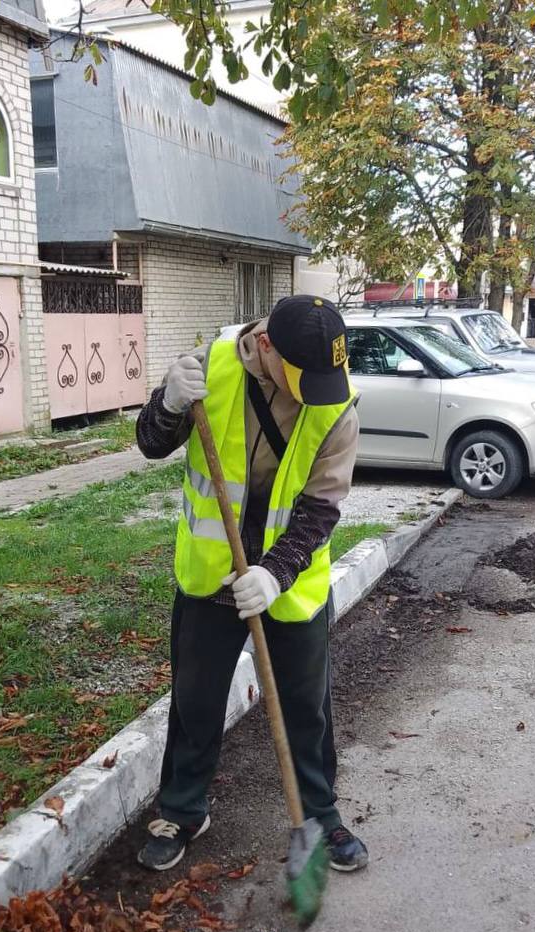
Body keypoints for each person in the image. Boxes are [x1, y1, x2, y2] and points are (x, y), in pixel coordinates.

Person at [135, 295, 368, 874]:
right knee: (195, 699)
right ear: (265, 345)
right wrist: (167, 404)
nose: (310, 390)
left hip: (289, 582)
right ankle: (183, 810)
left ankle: (320, 813)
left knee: (306, 707)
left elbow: (321, 507)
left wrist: (274, 572)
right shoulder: (208, 370)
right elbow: (150, 443)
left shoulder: (334, 403)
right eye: (301, 377)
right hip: (210, 573)